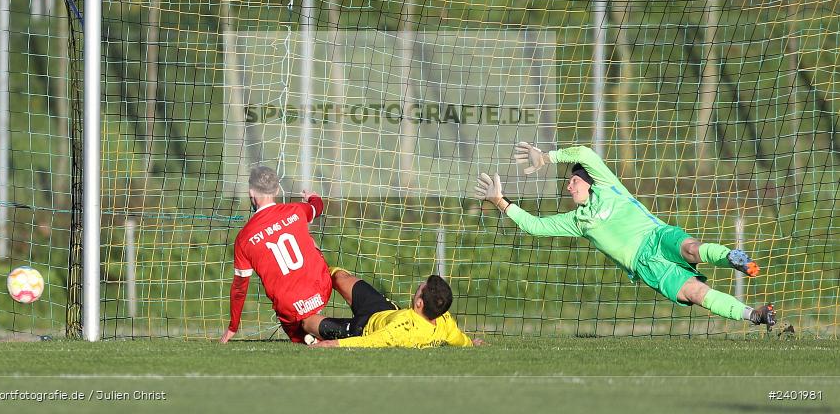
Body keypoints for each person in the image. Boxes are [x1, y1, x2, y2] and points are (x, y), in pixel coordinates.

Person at [474, 144, 776, 329]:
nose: (569, 187)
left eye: (574, 181)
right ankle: (755, 315)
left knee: (690, 249)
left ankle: (731, 257)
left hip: (656, 236)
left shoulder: (607, 184)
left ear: (590, 182)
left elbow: (584, 153)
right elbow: (535, 226)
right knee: (695, 294)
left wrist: (547, 157)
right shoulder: (579, 221)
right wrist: (500, 201)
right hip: (646, 266)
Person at [220, 166, 332, 344]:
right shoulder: (296, 210)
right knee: (310, 243)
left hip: (289, 307)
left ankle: (309, 336)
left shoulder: (243, 238)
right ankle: (324, 326)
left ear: (251, 192)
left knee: (302, 338)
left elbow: (240, 288)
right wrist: (312, 196)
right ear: (277, 190)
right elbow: (317, 208)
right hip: (322, 290)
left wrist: (233, 327)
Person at [307, 269, 483, 348]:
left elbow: (370, 342)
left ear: (420, 303)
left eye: (421, 288)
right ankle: (310, 268)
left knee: (307, 322)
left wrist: (333, 344)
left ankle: (309, 336)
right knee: (340, 277)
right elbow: (458, 338)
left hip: (361, 329)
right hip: (386, 310)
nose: (418, 287)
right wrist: (471, 344)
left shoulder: (403, 329)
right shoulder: (445, 321)